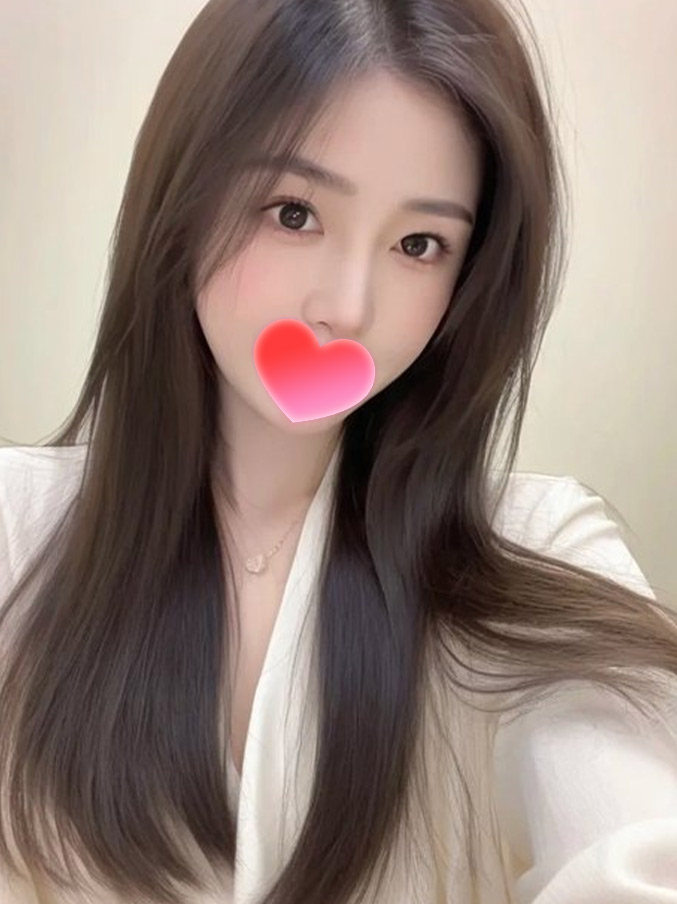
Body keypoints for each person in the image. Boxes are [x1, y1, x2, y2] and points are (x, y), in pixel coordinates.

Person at [1, 0, 677, 902]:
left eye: (417, 244)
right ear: (183, 202)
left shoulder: (536, 550)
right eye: (293, 213)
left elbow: (639, 853)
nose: (347, 308)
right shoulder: (17, 532)